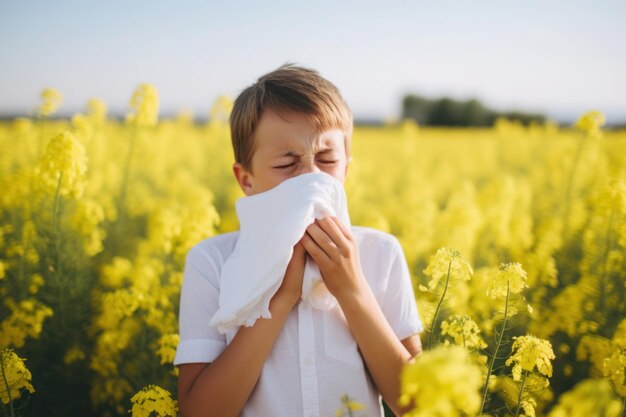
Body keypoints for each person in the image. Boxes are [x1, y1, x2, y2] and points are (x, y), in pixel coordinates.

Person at [175, 64, 423, 417]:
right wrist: (279, 298)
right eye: (286, 163)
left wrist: (351, 290)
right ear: (246, 180)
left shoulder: (380, 254)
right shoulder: (212, 261)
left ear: (346, 170)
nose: (310, 177)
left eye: (327, 159)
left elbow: (418, 405)